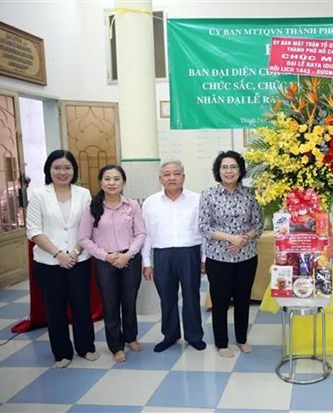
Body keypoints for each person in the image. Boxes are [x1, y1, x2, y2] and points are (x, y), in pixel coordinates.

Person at [26, 150, 98, 368]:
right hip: (49, 262)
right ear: (49, 169)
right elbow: (33, 231)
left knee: (81, 305)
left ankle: (86, 347)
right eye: (57, 167)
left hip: (79, 260)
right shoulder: (38, 195)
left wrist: (74, 254)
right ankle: (61, 352)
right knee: (55, 308)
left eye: (67, 168)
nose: (62, 172)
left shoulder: (84, 194)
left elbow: (87, 228)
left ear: (74, 170)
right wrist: (59, 255)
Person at [78, 165, 146, 363]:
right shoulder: (91, 207)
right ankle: (116, 346)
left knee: (129, 301)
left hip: (129, 260)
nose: (112, 183)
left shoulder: (132, 205)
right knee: (110, 304)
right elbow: (83, 238)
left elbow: (141, 233)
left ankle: (131, 337)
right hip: (104, 261)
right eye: (107, 179)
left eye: (116, 179)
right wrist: (105, 256)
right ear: (101, 182)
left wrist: (129, 254)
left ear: (123, 182)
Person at [198, 151, 263, 358]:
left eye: (233, 167)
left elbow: (259, 225)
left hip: (247, 256)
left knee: (243, 299)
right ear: (218, 171)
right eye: (224, 167)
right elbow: (204, 227)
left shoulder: (251, 194)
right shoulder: (208, 194)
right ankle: (222, 343)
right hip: (219, 258)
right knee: (220, 301)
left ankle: (242, 339)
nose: (229, 171)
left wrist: (243, 239)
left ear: (240, 170)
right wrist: (230, 238)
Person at [141, 160, 206, 352]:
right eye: (167, 174)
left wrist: (204, 259)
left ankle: (194, 336)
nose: (172, 178)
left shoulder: (197, 199)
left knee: (191, 296)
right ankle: (170, 335)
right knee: (166, 297)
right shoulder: (150, 202)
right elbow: (146, 234)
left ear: (183, 177)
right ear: (160, 178)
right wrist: (147, 262)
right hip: (162, 255)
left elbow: (204, 232)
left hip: (190, 253)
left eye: (176, 173)